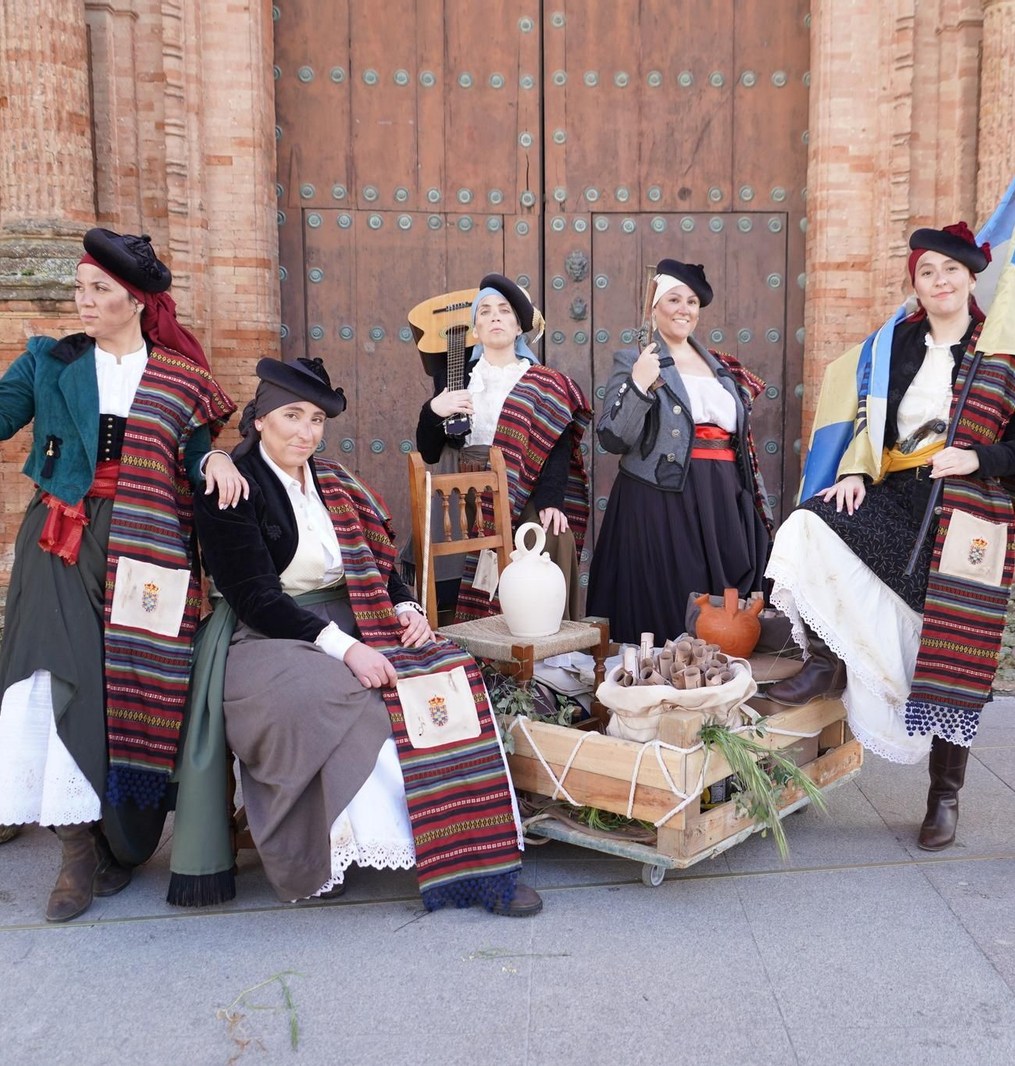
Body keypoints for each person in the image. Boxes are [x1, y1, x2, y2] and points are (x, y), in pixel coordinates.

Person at [0, 228, 243, 922]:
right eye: (79, 288)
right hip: (61, 540)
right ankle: (75, 851)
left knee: (133, 690)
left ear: (135, 301)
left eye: (98, 290)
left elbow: (196, 457)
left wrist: (218, 462)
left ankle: (122, 841)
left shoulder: (181, 378)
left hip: (151, 552)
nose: (84, 301)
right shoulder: (50, 362)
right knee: (54, 681)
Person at [171, 356, 542, 916]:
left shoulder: (335, 480)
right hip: (264, 637)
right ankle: (387, 850)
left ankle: (486, 856)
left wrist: (405, 605)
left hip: (358, 615)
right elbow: (255, 598)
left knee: (450, 678)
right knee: (357, 699)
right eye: (292, 416)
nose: (306, 431)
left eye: (316, 420)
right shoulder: (230, 485)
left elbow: (376, 561)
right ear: (262, 417)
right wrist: (347, 649)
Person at [767, 223, 1015, 851]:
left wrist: (980, 460)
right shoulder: (892, 345)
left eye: (951, 271)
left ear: (972, 278)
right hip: (897, 493)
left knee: (952, 648)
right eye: (927, 272)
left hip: (971, 510)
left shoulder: (1008, 353)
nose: (940, 281)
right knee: (810, 524)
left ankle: (944, 796)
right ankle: (826, 662)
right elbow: (865, 418)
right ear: (915, 283)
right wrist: (852, 473)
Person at [586, 259, 772, 644]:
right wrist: (639, 383)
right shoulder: (635, 358)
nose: (683, 309)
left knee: (718, 602)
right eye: (673, 299)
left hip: (720, 493)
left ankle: (715, 683)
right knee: (671, 599)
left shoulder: (719, 365)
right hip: (660, 496)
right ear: (654, 306)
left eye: (691, 301)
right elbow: (612, 438)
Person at [416, 274, 590, 621]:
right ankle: (473, 644)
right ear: (475, 329)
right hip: (467, 492)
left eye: (505, 311)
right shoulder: (455, 378)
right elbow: (429, 452)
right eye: (485, 312)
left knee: (551, 535)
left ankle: (543, 644)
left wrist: (551, 500)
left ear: (518, 326)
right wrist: (434, 411)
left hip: (526, 487)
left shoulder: (544, 379)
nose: (495, 317)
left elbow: (557, 445)